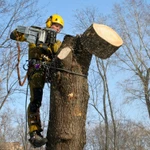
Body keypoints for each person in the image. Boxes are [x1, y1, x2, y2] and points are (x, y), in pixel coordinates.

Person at [10, 14, 64, 147]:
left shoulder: (57, 43)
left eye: (59, 27)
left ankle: (62, 128)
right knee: (36, 100)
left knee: (63, 93)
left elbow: (61, 54)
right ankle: (35, 134)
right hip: (37, 69)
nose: (57, 29)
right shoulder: (36, 34)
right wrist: (29, 32)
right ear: (49, 23)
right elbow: (14, 35)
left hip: (51, 70)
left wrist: (53, 46)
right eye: (55, 25)